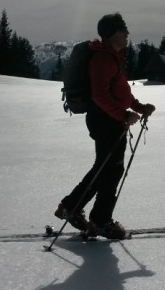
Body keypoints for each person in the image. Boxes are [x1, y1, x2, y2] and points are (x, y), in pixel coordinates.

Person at [55, 13, 155, 239]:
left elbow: (119, 92)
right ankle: (97, 219)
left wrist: (139, 107)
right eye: (123, 30)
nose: (127, 33)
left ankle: (76, 210)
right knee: (108, 170)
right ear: (111, 34)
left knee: (107, 169)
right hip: (105, 120)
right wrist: (123, 115)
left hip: (110, 119)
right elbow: (100, 95)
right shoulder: (103, 59)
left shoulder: (113, 56)